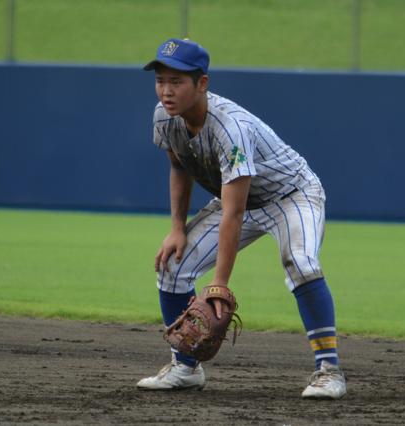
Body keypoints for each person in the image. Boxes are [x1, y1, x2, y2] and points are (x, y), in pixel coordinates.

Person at [136, 38, 346, 399]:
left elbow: (233, 213)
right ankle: (185, 367)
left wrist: (219, 283)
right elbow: (179, 166)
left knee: (301, 262)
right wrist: (176, 229)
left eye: (177, 82)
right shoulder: (164, 117)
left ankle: (329, 371)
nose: (166, 91)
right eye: (161, 80)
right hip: (239, 200)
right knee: (172, 265)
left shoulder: (230, 128)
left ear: (202, 83)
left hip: (292, 195)